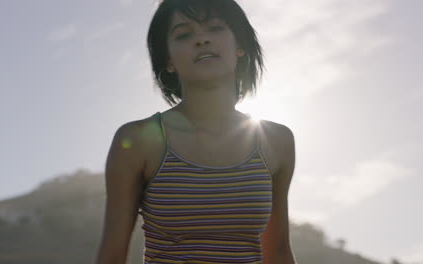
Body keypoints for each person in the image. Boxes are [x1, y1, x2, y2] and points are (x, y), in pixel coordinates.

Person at [95, 0, 296, 263]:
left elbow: (278, 252)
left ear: (240, 46)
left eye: (215, 28)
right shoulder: (137, 140)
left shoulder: (277, 141)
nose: (202, 40)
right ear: (168, 60)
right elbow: (112, 255)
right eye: (184, 34)